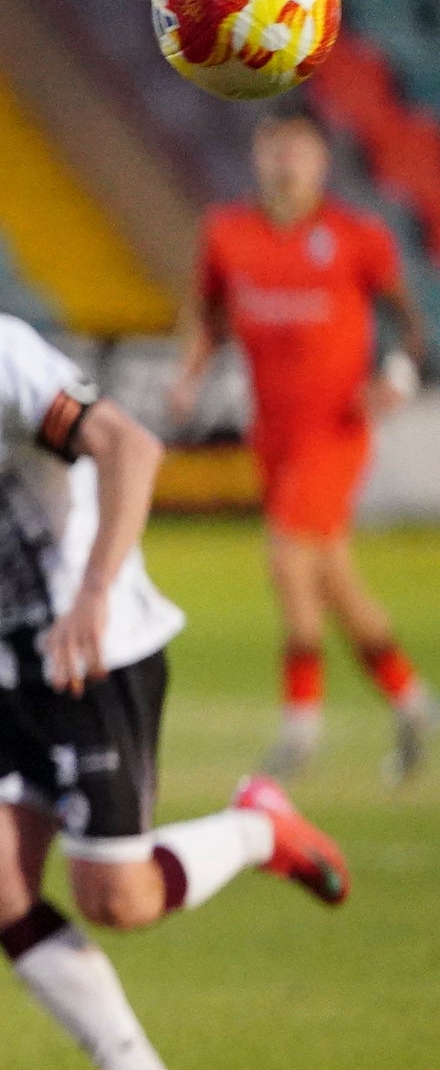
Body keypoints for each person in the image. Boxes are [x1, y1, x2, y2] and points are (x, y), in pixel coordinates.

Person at [0, 191, 350, 1070]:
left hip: (98, 658)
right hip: (7, 666)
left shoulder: (3, 357)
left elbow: (128, 446)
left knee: (121, 899)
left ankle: (257, 828)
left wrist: (96, 592)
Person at [171, 109, 432, 780]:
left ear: (322, 161)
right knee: (334, 580)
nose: (287, 162)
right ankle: (410, 702)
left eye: (300, 150)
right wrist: (190, 375)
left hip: (337, 431)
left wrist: (397, 377)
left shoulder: (356, 237)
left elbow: (411, 328)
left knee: (287, 558)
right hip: (275, 435)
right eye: (276, 149)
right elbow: (208, 314)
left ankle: (300, 727)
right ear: (258, 157)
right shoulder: (228, 234)